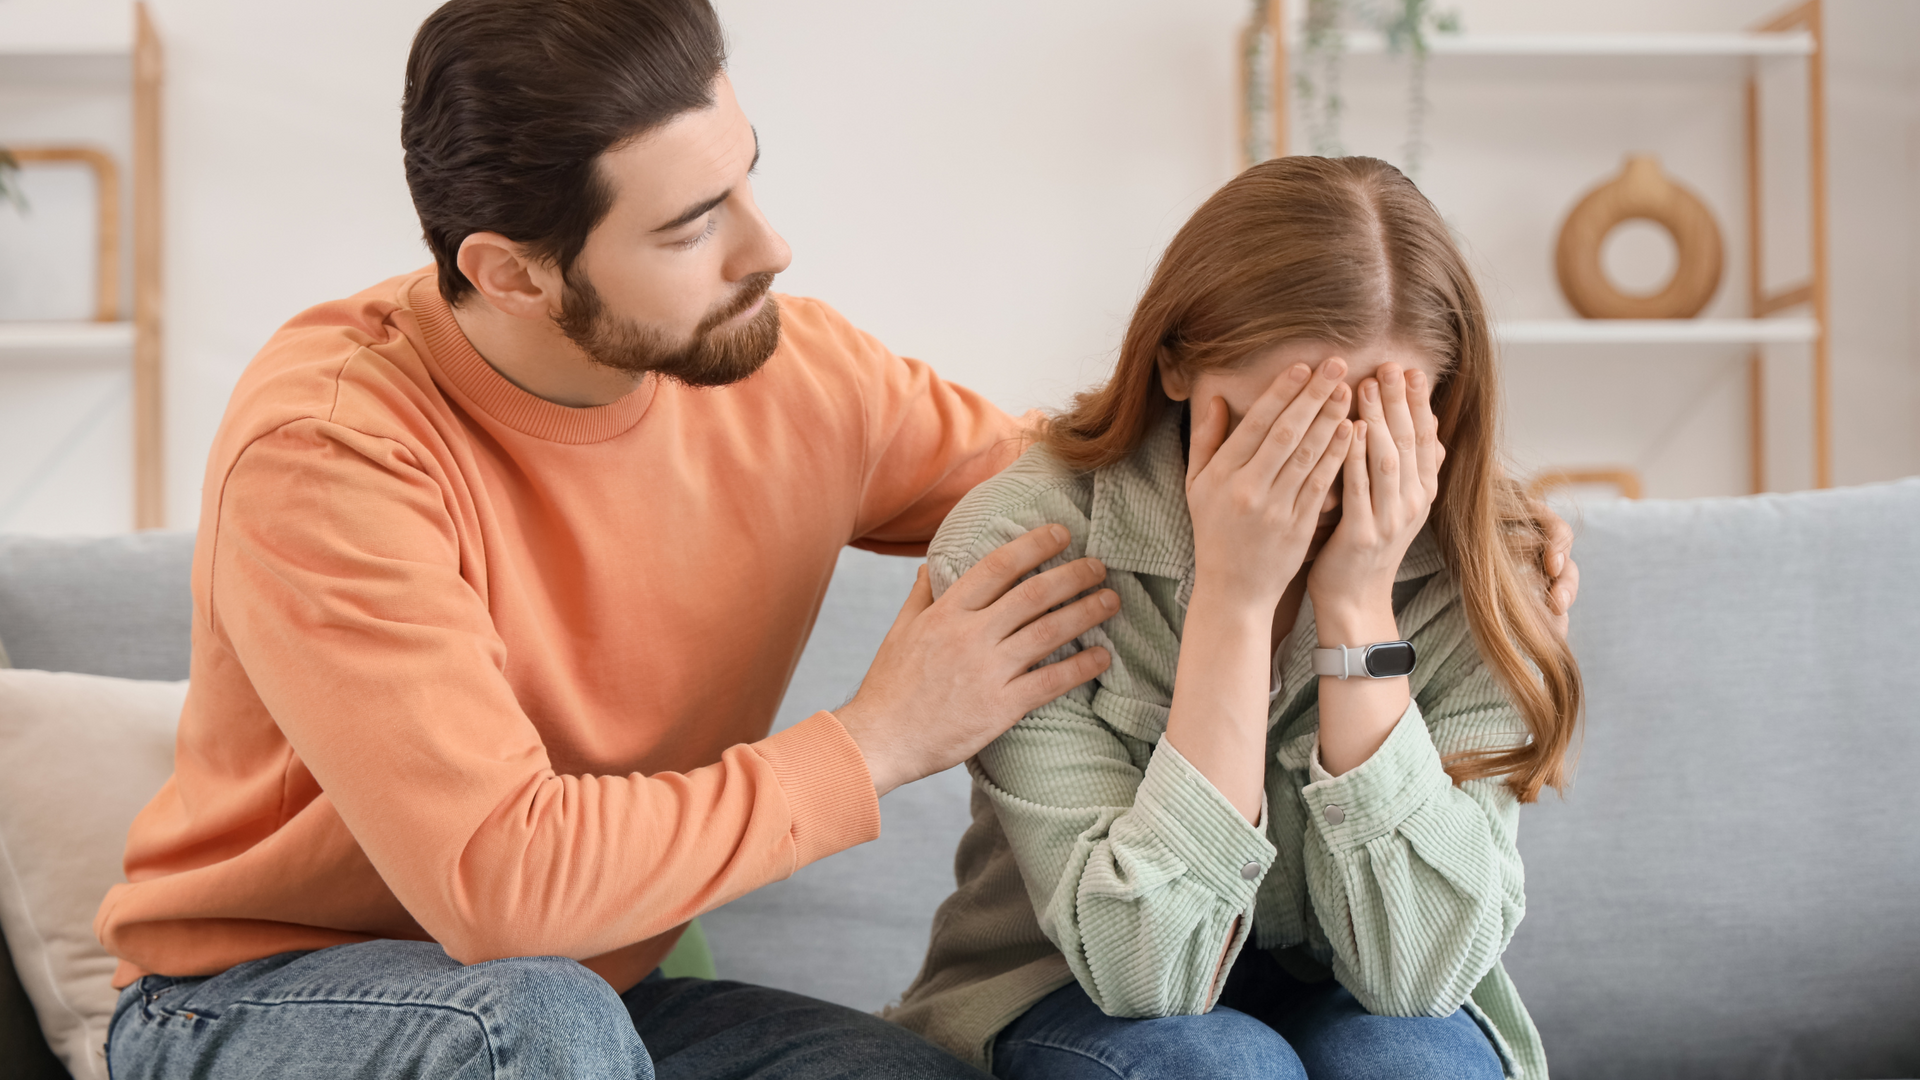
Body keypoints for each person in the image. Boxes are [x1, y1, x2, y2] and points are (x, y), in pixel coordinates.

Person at [94, 0, 1579, 1075]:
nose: (771, 246)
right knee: (535, 1023)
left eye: (748, 172)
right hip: (271, 997)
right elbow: (503, 890)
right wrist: (878, 740)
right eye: (692, 225)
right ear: (515, 272)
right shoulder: (332, 450)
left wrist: (1457, 517)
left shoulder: (788, 370)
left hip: (608, 997)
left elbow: (1099, 476)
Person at [887, 155, 1583, 1080]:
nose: (1321, 481)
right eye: (1278, 428)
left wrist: (1358, 605)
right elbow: (1148, 972)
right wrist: (1235, 598)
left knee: (1414, 1062)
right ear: (1175, 361)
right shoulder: (1023, 543)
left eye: (1370, 429)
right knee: (1219, 1064)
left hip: (1354, 987)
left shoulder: (1492, 561)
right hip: (1068, 990)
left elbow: (1421, 973)